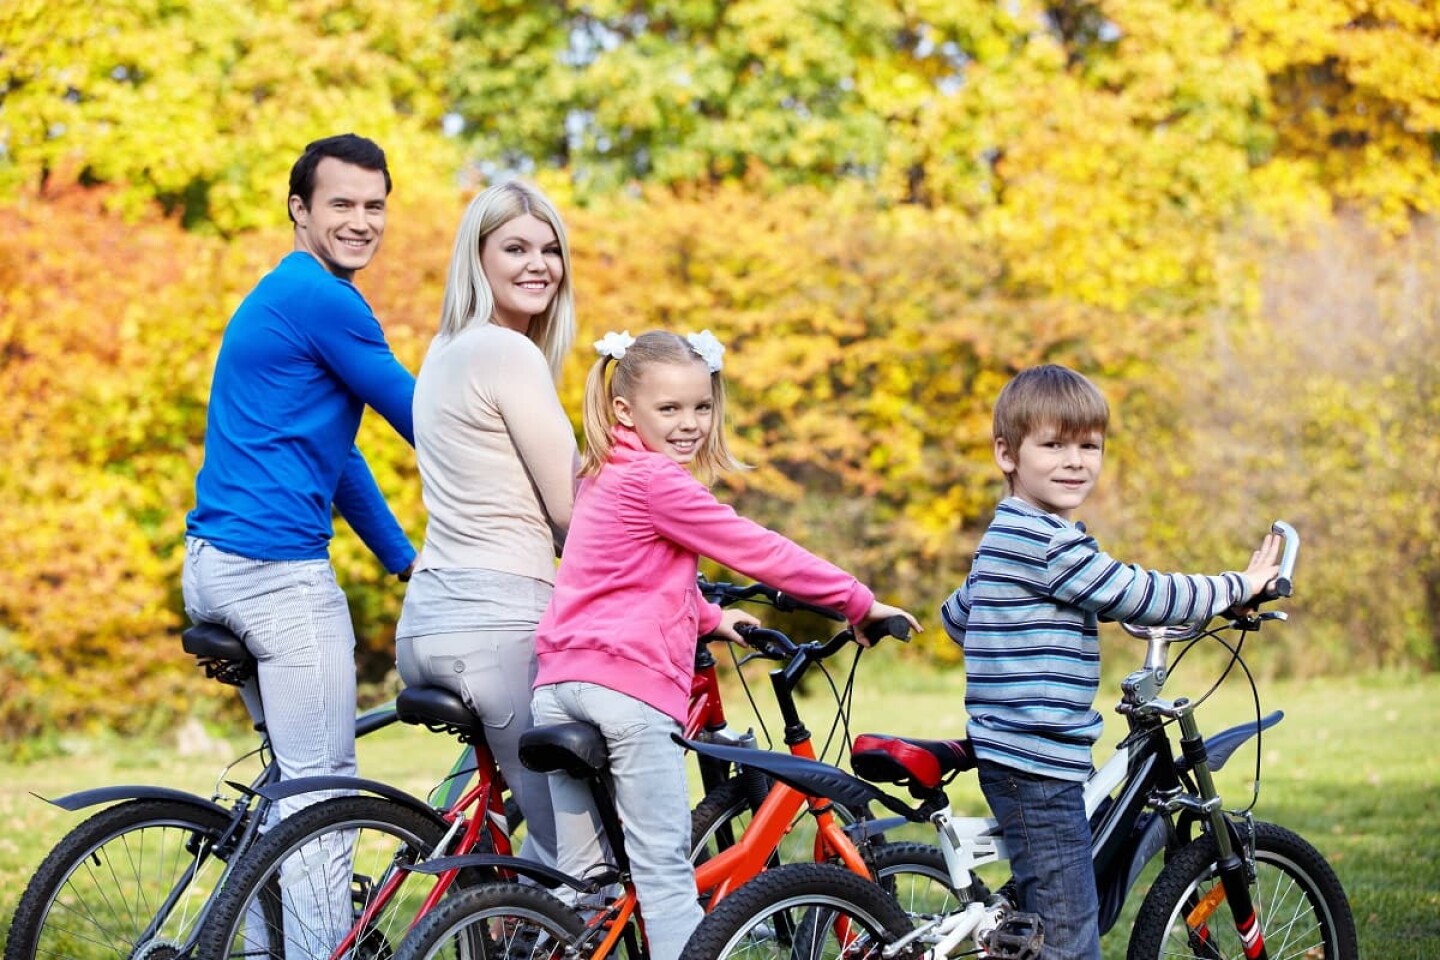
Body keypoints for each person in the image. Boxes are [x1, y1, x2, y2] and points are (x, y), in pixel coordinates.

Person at [530, 329, 921, 960]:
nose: (689, 423)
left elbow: (626, 576)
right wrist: (858, 601)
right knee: (663, 875)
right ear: (625, 411)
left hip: (555, 688)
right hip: (624, 693)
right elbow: (758, 549)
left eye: (701, 407)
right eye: (671, 409)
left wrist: (710, 617)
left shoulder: (602, 472)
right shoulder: (660, 480)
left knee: (587, 885)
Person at [939, 363, 1283, 960]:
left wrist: (1042, 612)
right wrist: (1236, 586)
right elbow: (1138, 591)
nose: (1074, 461)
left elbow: (957, 616)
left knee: (1045, 909)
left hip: (1016, 752)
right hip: (1037, 762)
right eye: (1053, 444)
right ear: (1007, 453)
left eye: (1088, 446)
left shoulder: (1007, 536)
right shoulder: (1049, 541)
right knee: (1071, 938)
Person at [182, 134, 415, 953]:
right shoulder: (326, 300)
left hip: (215, 567)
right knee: (326, 795)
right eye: (341, 204)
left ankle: (256, 947)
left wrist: (403, 560)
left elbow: (339, 454)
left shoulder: (284, 295)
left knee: (290, 785)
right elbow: (419, 416)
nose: (360, 221)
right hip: (275, 578)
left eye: (374, 205)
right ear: (300, 210)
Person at [395, 180, 578, 868]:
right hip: (499, 622)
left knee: (516, 826)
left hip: (431, 621)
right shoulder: (508, 352)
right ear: (477, 258)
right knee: (580, 856)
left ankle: (493, 924)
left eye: (551, 249)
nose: (539, 264)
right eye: (516, 248)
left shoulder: (444, 350)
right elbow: (571, 510)